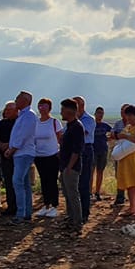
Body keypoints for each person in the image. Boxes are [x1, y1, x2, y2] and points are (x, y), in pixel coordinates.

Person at [6, 91, 38, 224]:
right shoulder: (23, 115)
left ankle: (20, 214)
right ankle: (26, 213)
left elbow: (23, 135)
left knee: (17, 181)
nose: (15, 100)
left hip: (23, 153)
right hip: (20, 153)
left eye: (17, 98)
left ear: (25, 101)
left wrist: (12, 149)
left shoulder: (29, 116)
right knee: (24, 184)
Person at [32, 97, 63, 218]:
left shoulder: (54, 122)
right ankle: (46, 205)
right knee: (44, 181)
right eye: (40, 105)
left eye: (44, 106)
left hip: (52, 155)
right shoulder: (36, 122)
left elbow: (60, 138)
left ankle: (55, 205)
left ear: (49, 108)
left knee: (52, 181)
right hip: (39, 156)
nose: (42, 108)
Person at [59, 98, 86, 229]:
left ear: (69, 111)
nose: (61, 113)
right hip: (65, 165)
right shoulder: (69, 126)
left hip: (71, 167)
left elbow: (77, 149)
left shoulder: (77, 127)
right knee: (67, 194)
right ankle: (70, 218)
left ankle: (77, 221)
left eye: (62, 110)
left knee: (73, 194)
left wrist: (69, 167)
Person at [0, 100, 18, 215]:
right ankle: (10, 206)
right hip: (4, 156)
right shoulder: (3, 123)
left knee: (17, 182)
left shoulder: (19, 122)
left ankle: (19, 207)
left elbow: (20, 137)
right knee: (8, 182)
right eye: (6, 109)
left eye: (10, 110)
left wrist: (8, 145)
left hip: (17, 156)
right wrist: (1, 145)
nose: (7, 111)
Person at [75, 95, 95, 222]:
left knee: (84, 183)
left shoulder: (89, 119)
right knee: (74, 183)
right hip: (75, 150)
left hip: (85, 150)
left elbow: (81, 132)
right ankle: (75, 211)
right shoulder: (72, 121)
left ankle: (84, 212)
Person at [92, 106, 112, 201]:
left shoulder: (105, 125)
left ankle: (97, 192)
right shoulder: (91, 124)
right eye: (99, 113)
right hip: (92, 150)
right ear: (95, 114)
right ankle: (89, 192)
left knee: (100, 172)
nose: (100, 115)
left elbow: (113, 133)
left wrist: (108, 139)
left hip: (103, 150)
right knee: (91, 172)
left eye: (102, 113)